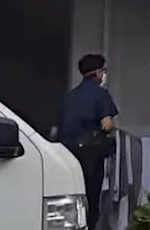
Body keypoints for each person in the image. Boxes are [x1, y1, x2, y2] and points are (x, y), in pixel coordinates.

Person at [58, 53, 119, 230]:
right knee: (91, 199)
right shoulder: (101, 94)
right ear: (98, 72)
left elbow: (57, 127)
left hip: (68, 155)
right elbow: (107, 124)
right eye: (104, 71)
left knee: (73, 197)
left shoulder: (69, 96)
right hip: (91, 154)